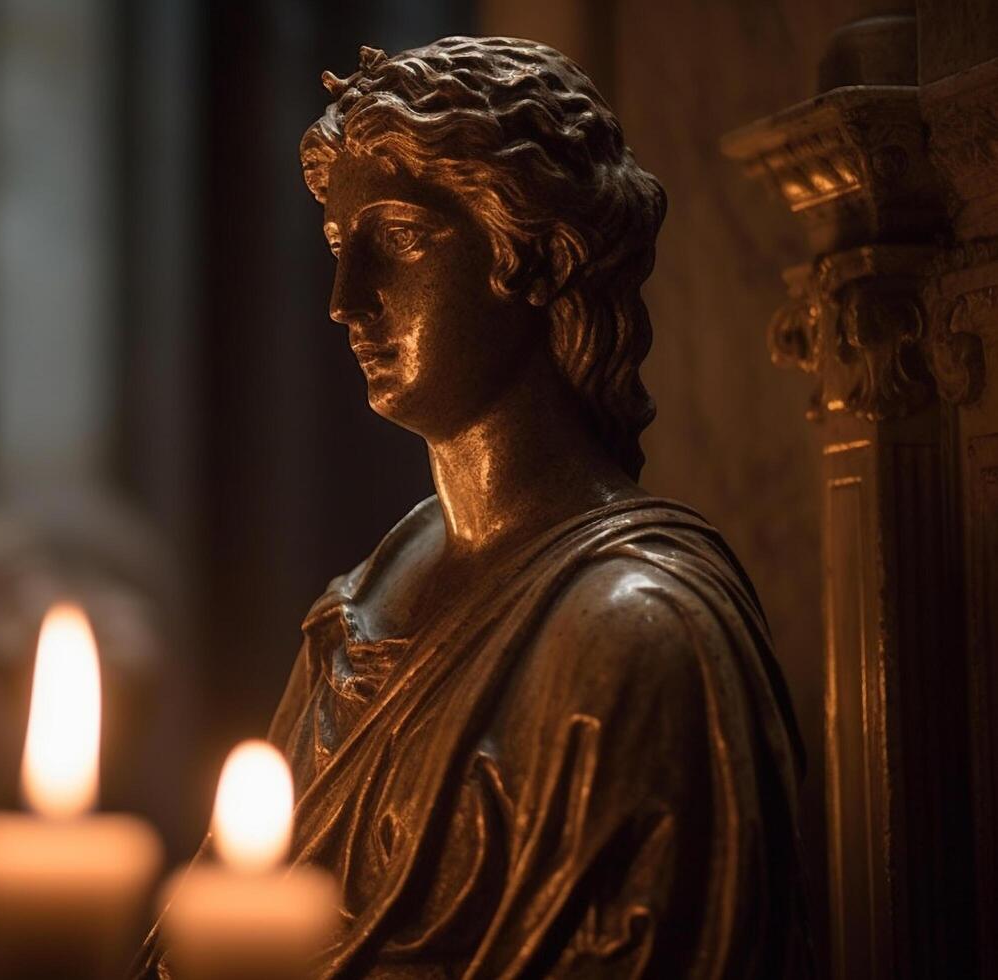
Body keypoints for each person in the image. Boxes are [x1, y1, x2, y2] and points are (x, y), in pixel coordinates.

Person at [141, 37, 810, 978]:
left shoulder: (636, 634)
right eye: (339, 247)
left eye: (400, 238)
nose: (345, 300)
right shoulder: (362, 607)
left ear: (533, 252)